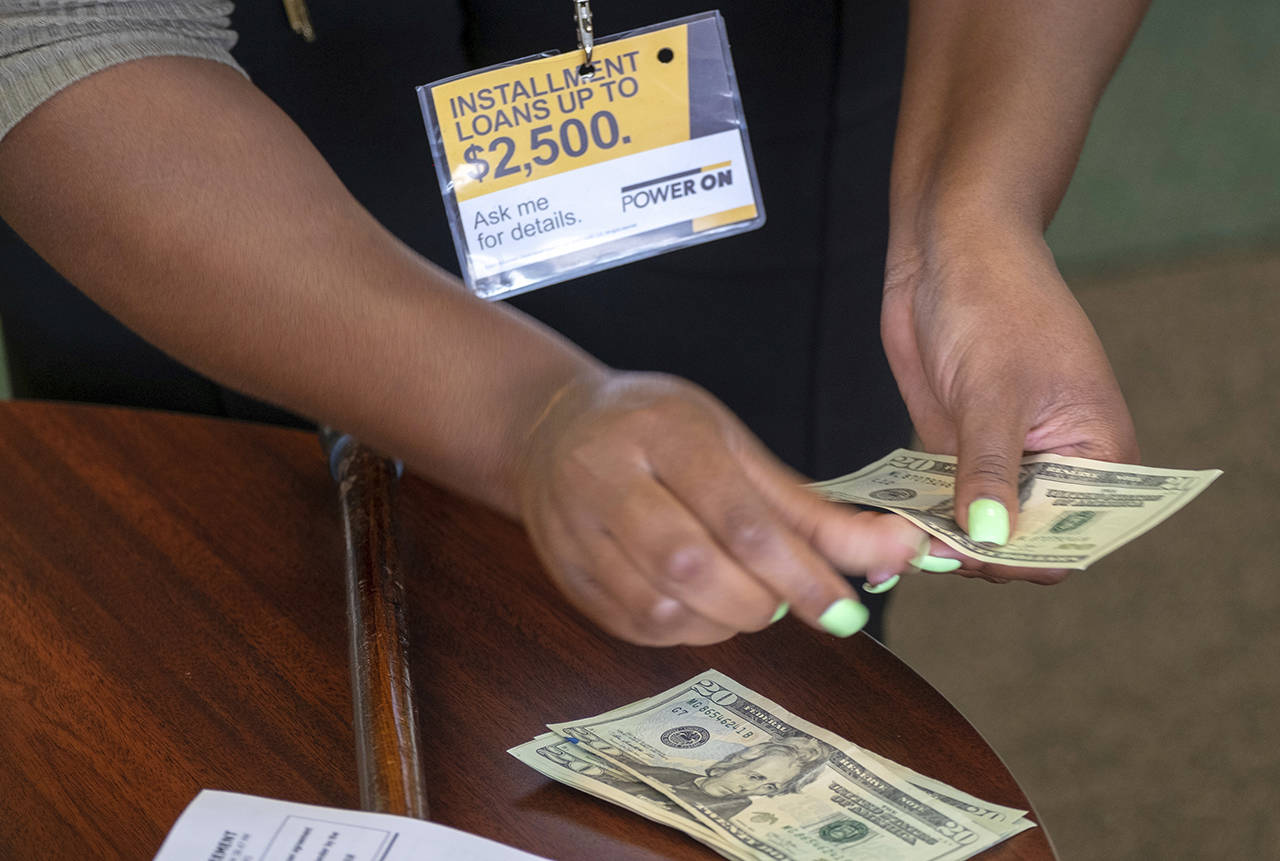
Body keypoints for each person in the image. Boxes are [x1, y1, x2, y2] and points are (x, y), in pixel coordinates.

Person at [0, 2, 1143, 646]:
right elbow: (58, 31)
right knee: (225, 666)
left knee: (745, 612)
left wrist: (970, 217)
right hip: (203, 153)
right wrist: (533, 415)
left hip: (745, 96)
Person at [623, 735, 831, 820]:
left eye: (769, 788)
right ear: (739, 762)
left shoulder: (730, 808)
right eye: (755, 776)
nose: (746, 789)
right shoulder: (662, 773)